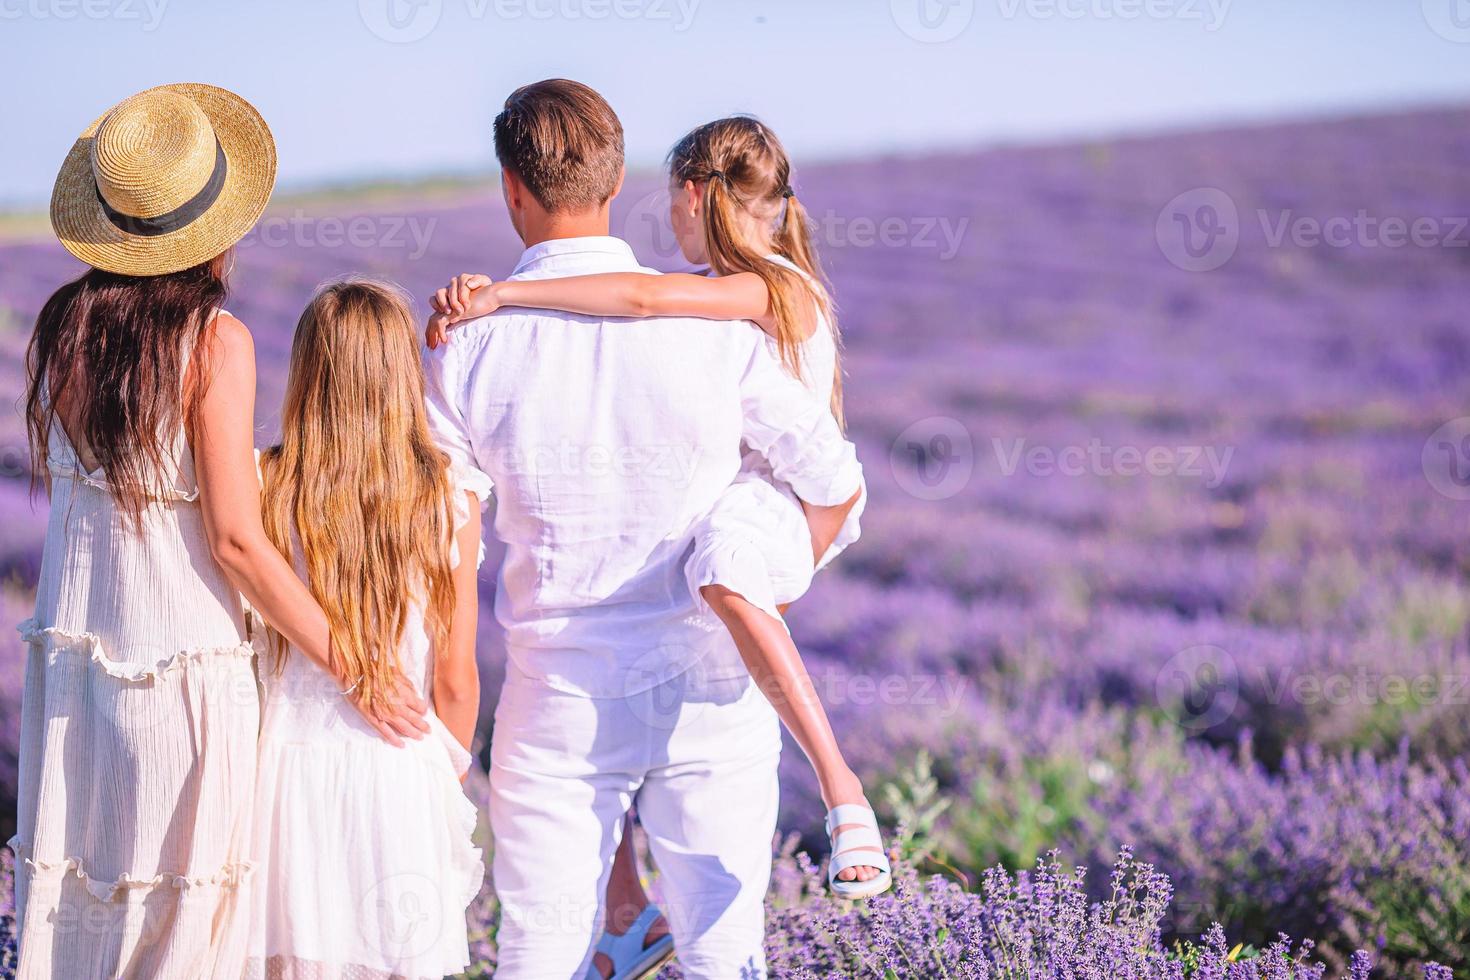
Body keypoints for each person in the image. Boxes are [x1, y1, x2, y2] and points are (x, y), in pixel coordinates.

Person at [421, 79, 865, 979]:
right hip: (706, 680)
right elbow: (835, 477)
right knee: (725, 952)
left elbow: (445, 549)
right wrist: (778, 573)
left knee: (537, 953)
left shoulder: (460, 340)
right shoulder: (712, 321)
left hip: (559, 697)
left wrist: (449, 705)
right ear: (616, 182)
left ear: (511, 185)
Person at [15, 84, 427, 980]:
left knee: (91, 907)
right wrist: (356, 665)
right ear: (213, 227)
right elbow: (237, 540)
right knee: (187, 928)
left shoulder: (65, 328)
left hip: (79, 677)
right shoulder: (213, 341)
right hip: (183, 672)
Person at [248, 280, 484, 979]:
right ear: (402, 372)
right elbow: (456, 675)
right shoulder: (449, 496)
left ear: (307, 371)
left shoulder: (265, 483)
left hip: (283, 768)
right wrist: (447, 781)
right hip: (398, 760)